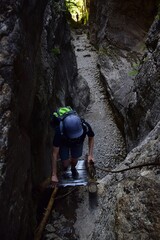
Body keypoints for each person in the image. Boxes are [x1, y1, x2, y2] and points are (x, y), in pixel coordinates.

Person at [51, 114, 95, 187]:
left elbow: (91, 137)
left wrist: (90, 155)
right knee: (65, 163)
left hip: (78, 142)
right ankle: (65, 167)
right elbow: (54, 154)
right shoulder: (59, 131)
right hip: (64, 143)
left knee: (75, 160)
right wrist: (54, 174)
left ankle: (73, 168)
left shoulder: (84, 126)